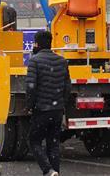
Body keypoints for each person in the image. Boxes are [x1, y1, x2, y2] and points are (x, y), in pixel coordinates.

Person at [26, 30, 70, 176]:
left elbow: (31, 87)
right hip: (57, 110)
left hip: (41, 110)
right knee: (53, 144)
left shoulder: (34, 61)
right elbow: (67, 87)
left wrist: (29, 106)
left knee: (34, 141)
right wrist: (61, 103)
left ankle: (48, 170)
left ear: (37, 44)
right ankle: (55, 172)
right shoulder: (62, 61)